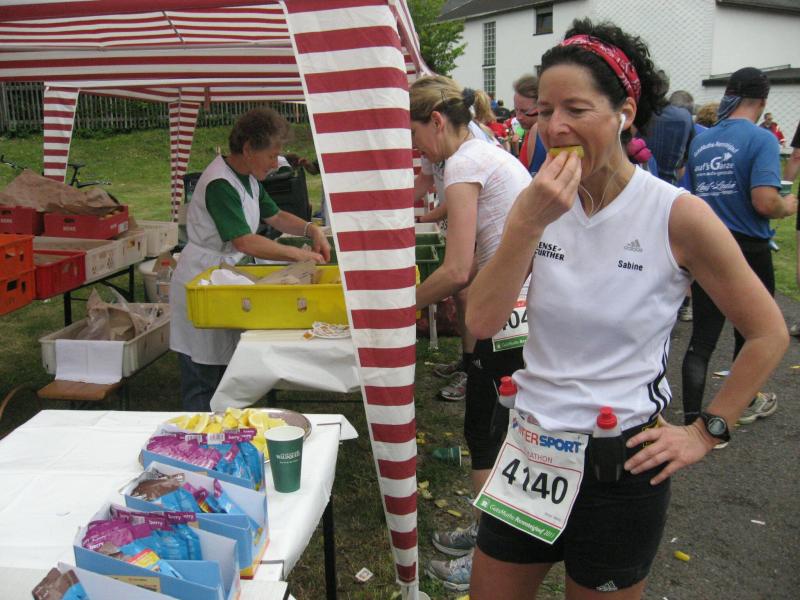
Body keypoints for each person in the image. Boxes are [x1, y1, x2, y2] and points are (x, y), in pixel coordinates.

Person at [465, 20, 790, 599]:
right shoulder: (537, 204)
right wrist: (525, 223)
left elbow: (768, 333)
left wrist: (706, 431)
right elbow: (482, 323)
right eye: (545, 110)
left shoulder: (675, 214)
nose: (555, 126)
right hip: (530, 448)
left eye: (576, 109)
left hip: (620, 465)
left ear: (625, 113)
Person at [409, 74, 532, 592]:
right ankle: (490, 532)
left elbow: (458, 269)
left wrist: (403, 306)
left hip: (509, 314)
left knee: (486, 434)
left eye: (415, 135)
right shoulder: (484, 152)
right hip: (518, 308)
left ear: (437, 122)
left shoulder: (463, 162)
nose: (416, 148)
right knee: (497, 431)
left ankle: (489, 554)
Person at [170, 108, 331, 412]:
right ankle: (199, 430)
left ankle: (227, 425)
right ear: (247, 149)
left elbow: (276, 216)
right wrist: (299, 255)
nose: (275, 163)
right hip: (200, 279)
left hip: (222, 278)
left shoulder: (248, 179)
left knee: (224, 365)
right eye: (271, 155)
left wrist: (312, 230)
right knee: (202, 371)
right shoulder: (220, 183)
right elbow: (244, 241)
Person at [681, 66, 797, 428]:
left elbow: (689, 196)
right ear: (762, 101)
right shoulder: (762, 139)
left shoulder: (701, 141)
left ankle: (691, 419)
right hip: (748, 247)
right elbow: (764, 201)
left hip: (707, 245)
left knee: (702, 339)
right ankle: (739, 405)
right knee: (753, 332)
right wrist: (786, 205)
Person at [643, 87, 694, 185]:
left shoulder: (638, 116)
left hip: (641, 183)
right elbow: (682, 166)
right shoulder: (684, 117)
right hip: (669, 183)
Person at [513, 74, 548, 175]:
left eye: (524, 111)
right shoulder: (533, 131)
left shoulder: (537, 130)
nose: (518, 117)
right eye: (516, 110)